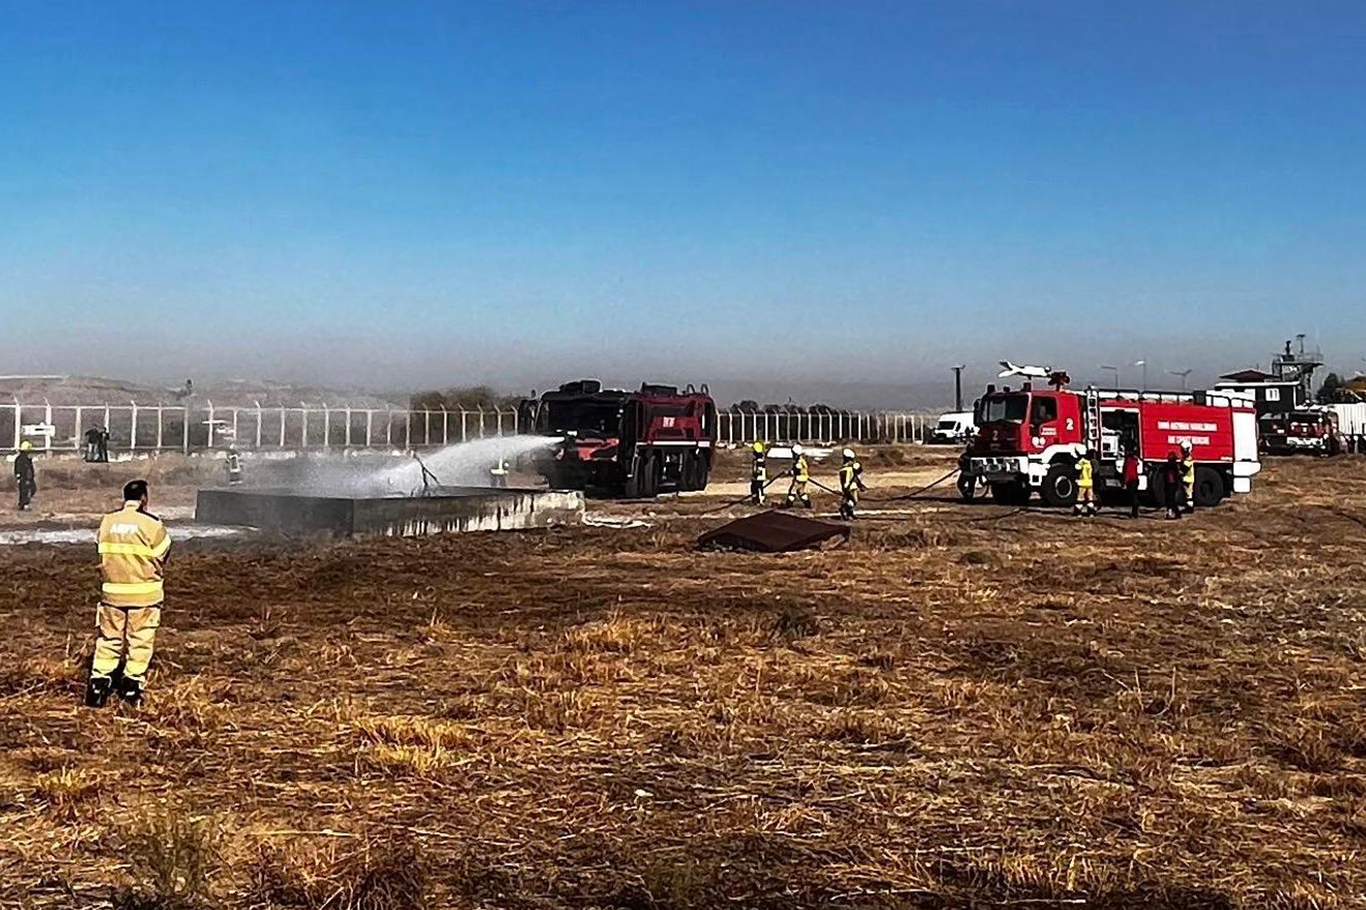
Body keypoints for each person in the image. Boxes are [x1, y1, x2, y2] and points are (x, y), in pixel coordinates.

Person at [87, 479, 171, 707]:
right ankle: (131, 686)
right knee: (140, 640)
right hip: (144, 595)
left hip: (112, 594)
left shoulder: (108, 522)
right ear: (144, 498)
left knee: (108, 639)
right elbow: (164, 553)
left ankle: (98, 684)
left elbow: (100, 550)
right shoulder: (152, 524)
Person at [837, 448, 868, 520]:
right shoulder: (852, 466)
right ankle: (844, 509)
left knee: (848, 500)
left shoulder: (843, 468)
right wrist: (860, 485)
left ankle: (849, 513)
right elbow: (858, 473)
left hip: (845, 487)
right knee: (854, 501)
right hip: (851, 486)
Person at [784, 444, 811, 509]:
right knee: (801, 492)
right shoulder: (802, 461)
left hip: (799, 479)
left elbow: (797, 471)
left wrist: (789, 472)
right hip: (804, 479)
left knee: (792, 491)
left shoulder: (799, 462)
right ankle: (807, 504)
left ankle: (789, 505)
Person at [1073, 448, 1097, 517]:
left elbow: (1076, 469)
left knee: (1080, 498)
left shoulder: (1081, 462)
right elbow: (1094, 472)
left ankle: (1078, 512)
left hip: (1082, 482)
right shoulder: (1091, 463)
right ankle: (1091, 512)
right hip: (1089, 483)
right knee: (1090, 498)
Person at [14, 441, 36, 511]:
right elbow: (21, 470)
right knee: (25, 491)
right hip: (25, 478)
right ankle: (24, 504)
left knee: (29, 490)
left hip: (25, 478)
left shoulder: (23, 459)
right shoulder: (23, 460)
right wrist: (21, 478)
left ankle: (23, 504)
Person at [1161, 452, 1184, 520]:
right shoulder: (1174, 466)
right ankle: (1171, 513)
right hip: (1171, 484)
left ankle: (1176, 513)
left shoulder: (1171, 466)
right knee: (1170, 500)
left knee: (1171, 500)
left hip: (1171, 484)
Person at [1122, 445, 1142, 519]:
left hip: (1131, 481)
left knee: (1132, 497)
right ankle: (1135, 512)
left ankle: (1134, 513)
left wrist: (1125, 482)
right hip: (1135, 479)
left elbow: (1127, 472)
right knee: (1134, 495)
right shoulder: (1134, 460)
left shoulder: (1128, 461)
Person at [1180, 441, 1196, 513]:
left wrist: (1180, 472)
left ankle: (1189, 509)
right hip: (1188, 478)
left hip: (1188, 479)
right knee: (1187, 494)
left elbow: (1185, 468)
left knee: (1188, 495)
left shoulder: (1188, 458)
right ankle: (1188, 507)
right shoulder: (1187, 457)